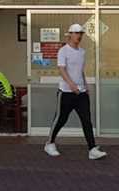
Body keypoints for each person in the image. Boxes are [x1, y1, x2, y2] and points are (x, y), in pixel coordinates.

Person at [45, 24, 107, 160]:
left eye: (81, 33)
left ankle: (92, 149)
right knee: (61, 119)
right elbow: (61, 69)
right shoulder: (63, 51)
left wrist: (85, 85)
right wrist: (71, 84)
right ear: (70, 34)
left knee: (86, 120)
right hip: (66, 92)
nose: (79, 36)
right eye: (77, 33)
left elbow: (80, 71)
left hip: (81, 93)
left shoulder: (82, 52)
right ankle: (49, 143)